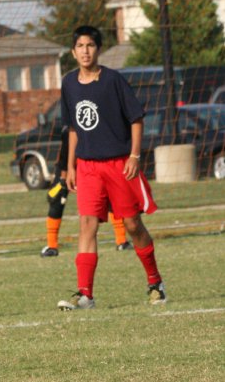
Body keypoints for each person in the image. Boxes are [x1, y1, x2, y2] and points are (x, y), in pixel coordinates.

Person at [57, 25, 166, 311]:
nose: (85, 51)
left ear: (98, 49)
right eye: (80, 46)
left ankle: (155, 282)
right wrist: (70, 167)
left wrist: (134, 156)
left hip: (119, 164)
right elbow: (72, 128)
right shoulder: (68, 83)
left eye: (90, 45)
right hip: (88, 166)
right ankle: (85, 295)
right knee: (86, 225)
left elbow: (136, 119)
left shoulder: (114, 81)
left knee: (132, 225)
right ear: (73, 51)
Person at [41, 124, 131, 257]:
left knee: (111, 196)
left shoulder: (101, 127)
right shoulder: (70, 131)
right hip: (70, 165)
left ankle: (121, 241)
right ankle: (52, 246)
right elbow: (64, 158)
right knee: (57, 199)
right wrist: (63, 177)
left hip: (93, 164)